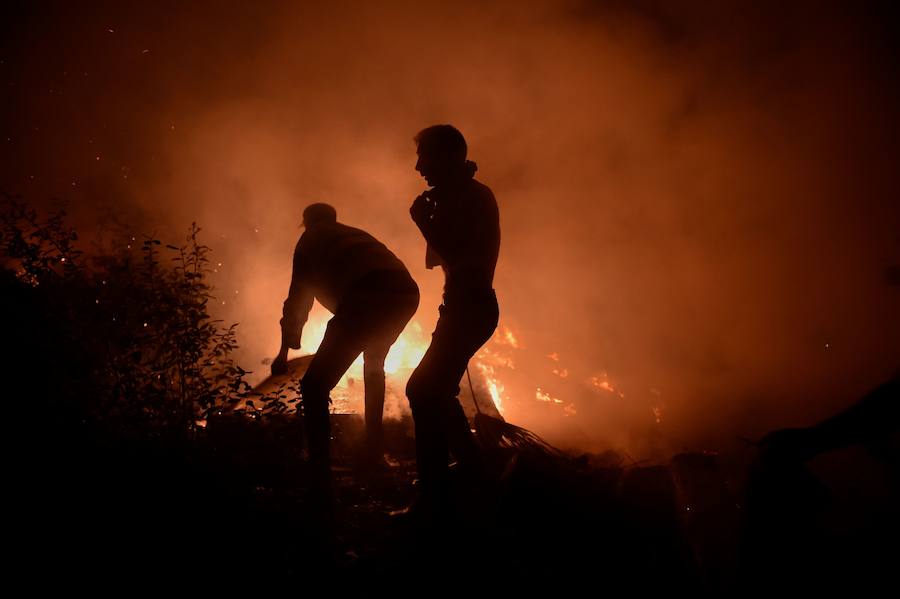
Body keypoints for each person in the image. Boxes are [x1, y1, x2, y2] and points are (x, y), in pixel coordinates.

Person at [273, 203, 420, 497]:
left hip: (365, 295)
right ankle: (373, 450)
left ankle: (319, 472)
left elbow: (297, 300)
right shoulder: (353, 234)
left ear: (306, 223)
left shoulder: (309, 241)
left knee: (314, 385)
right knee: (374, 367)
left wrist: (284, 351)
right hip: (404, 294)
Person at [404, 124, 501, 516]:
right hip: (464, 309)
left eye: (424, 155)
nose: (418, 166)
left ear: (448, 156)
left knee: (422, 390)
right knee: (436, 391)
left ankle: (434, 495)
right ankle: (471, 469)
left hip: (471, 308)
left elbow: (460, 261)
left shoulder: (472, 198)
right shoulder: (461, 195)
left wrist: (424, 222)